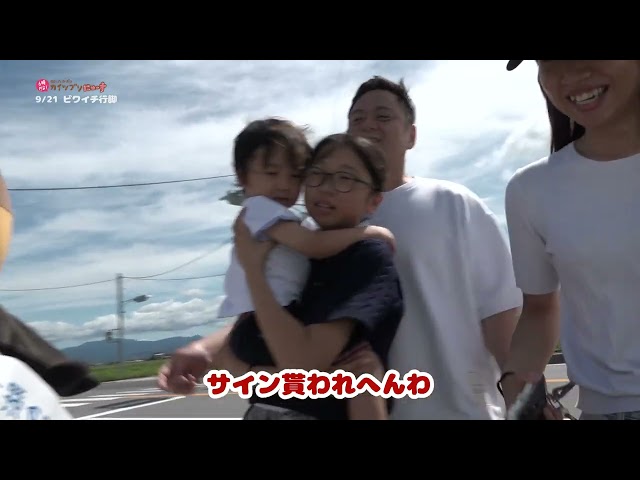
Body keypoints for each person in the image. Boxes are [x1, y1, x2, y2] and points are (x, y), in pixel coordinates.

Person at [160, 129, 404, 420]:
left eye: (345, 178)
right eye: (317, 174)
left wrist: (253, 272)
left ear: (374, 200)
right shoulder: (301, 240)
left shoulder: (363, 255)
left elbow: (302, 364)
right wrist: (205, 349)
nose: (326, 188)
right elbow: (270, 320)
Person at [499, 60, 640, 420]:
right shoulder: (530, 190)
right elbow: (539, 310)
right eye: (550, 61)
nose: (572, 74)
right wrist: (517, 387)